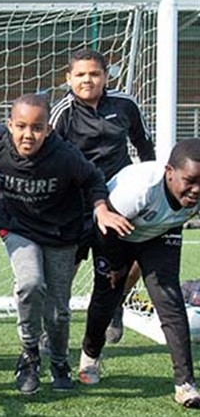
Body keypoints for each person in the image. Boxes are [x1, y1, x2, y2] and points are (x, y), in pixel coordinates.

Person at [0, 93, 130, 394]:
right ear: (9, 125)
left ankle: (60, 361)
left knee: (58, 310)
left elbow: (93, 179)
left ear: (49, 129)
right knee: (30, 284)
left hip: (61, 233)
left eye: (37, 127)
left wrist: (101, 208)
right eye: (21, 126)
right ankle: (29, 354)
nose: (28, 134)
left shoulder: (64, 155)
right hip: (18, 227)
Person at [78, 138, 200, 409]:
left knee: (169, 301)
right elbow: (105, 225)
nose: (196, 190)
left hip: (161, 234)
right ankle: (90, 355)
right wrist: (116, 265)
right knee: (107, 295)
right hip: (117, 229)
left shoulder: (196, 191)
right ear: (169, 172)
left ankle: (185, 384)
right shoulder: (138, 189)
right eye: (190, 181)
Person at [49, 48, 155, 345]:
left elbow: (145, 147)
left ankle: (116, 301)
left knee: (136, 255)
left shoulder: (125, 105)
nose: (88, 80)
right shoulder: (62, 113)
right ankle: (54, 325)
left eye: (94, 74)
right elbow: (49, 155)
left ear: (106, 76)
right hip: (78, 201)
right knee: (66, 266)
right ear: (69, 78)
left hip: (122, 198)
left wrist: (153, 185)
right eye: (80, 74)